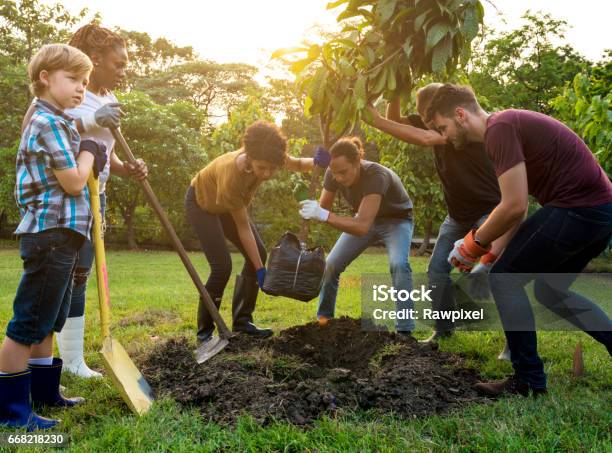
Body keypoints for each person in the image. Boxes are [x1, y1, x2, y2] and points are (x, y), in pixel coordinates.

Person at [426, 83, 612, 397]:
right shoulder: (503, 128)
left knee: (506, 280)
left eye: (443, 127)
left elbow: (514, 206)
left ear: (460, 114)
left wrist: (472, 244)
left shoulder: (499, 129)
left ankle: (528, 381)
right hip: (600, 211)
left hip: (579, 207)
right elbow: (517, 209)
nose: (444, 136)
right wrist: (487, 255)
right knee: (549, 291)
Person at [21, 23, 148, 378]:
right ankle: (69, 361)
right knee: (62, 278)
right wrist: (92, 119)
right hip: (64, 199)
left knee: (80, 274)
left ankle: (73, 361)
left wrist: (128, 168)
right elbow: (38, 128)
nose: (124, 70)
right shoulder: (66, 97)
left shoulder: (106, 98)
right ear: (95, 60)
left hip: (97, 195)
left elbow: (102, 154)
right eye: (118, 64)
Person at [0, 44, 107, 430]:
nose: (81, 88)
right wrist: (91, 152)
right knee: (27, 325)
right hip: (50, 235)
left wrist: (90, 149)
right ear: (45, 78)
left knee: (48, 321)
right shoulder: (46, 122)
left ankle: (44, 393)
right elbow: (74, 182)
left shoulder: (61, 122)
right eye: (74, 79)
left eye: (85, 82)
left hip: (63, 236)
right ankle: (12, 412)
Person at [367, 85, 512, 355]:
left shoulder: (455, 129)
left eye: (429, 118)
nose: (426, 123)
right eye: (423, 117)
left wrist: (373, 119)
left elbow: (421, 137)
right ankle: (444, 328)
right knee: (436, 270)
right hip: (457, 216)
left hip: (489, 212)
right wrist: (396, 84)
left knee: (496, 273)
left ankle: (513, 342)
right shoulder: (431, 124)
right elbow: (396, 119)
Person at [186, 120, 331, 343]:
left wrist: (317, 161)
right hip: (202, 203)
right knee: (222, 266)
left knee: (258, 253)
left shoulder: (272, 156)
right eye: (262, 167)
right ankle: (205, 332)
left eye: (272, 168)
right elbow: (243, 228)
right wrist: (260, 270)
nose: (266, 173)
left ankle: (243, 323)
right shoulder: (231, 173)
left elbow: (298, 164)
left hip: (226, 205)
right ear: (249, 156)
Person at [299, 137, 415, 338]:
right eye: (334, 173)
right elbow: (323, 209)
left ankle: (405, 330)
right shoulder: (332, 172)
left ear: (358, 162)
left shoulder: (376, 175)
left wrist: (323, 214)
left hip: (396, 220)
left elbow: (361, 227)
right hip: (364, 218)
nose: (339, 178)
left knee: (398, 264)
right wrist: (312, 209)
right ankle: (324, 322)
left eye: (343, 172)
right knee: (331, 264)